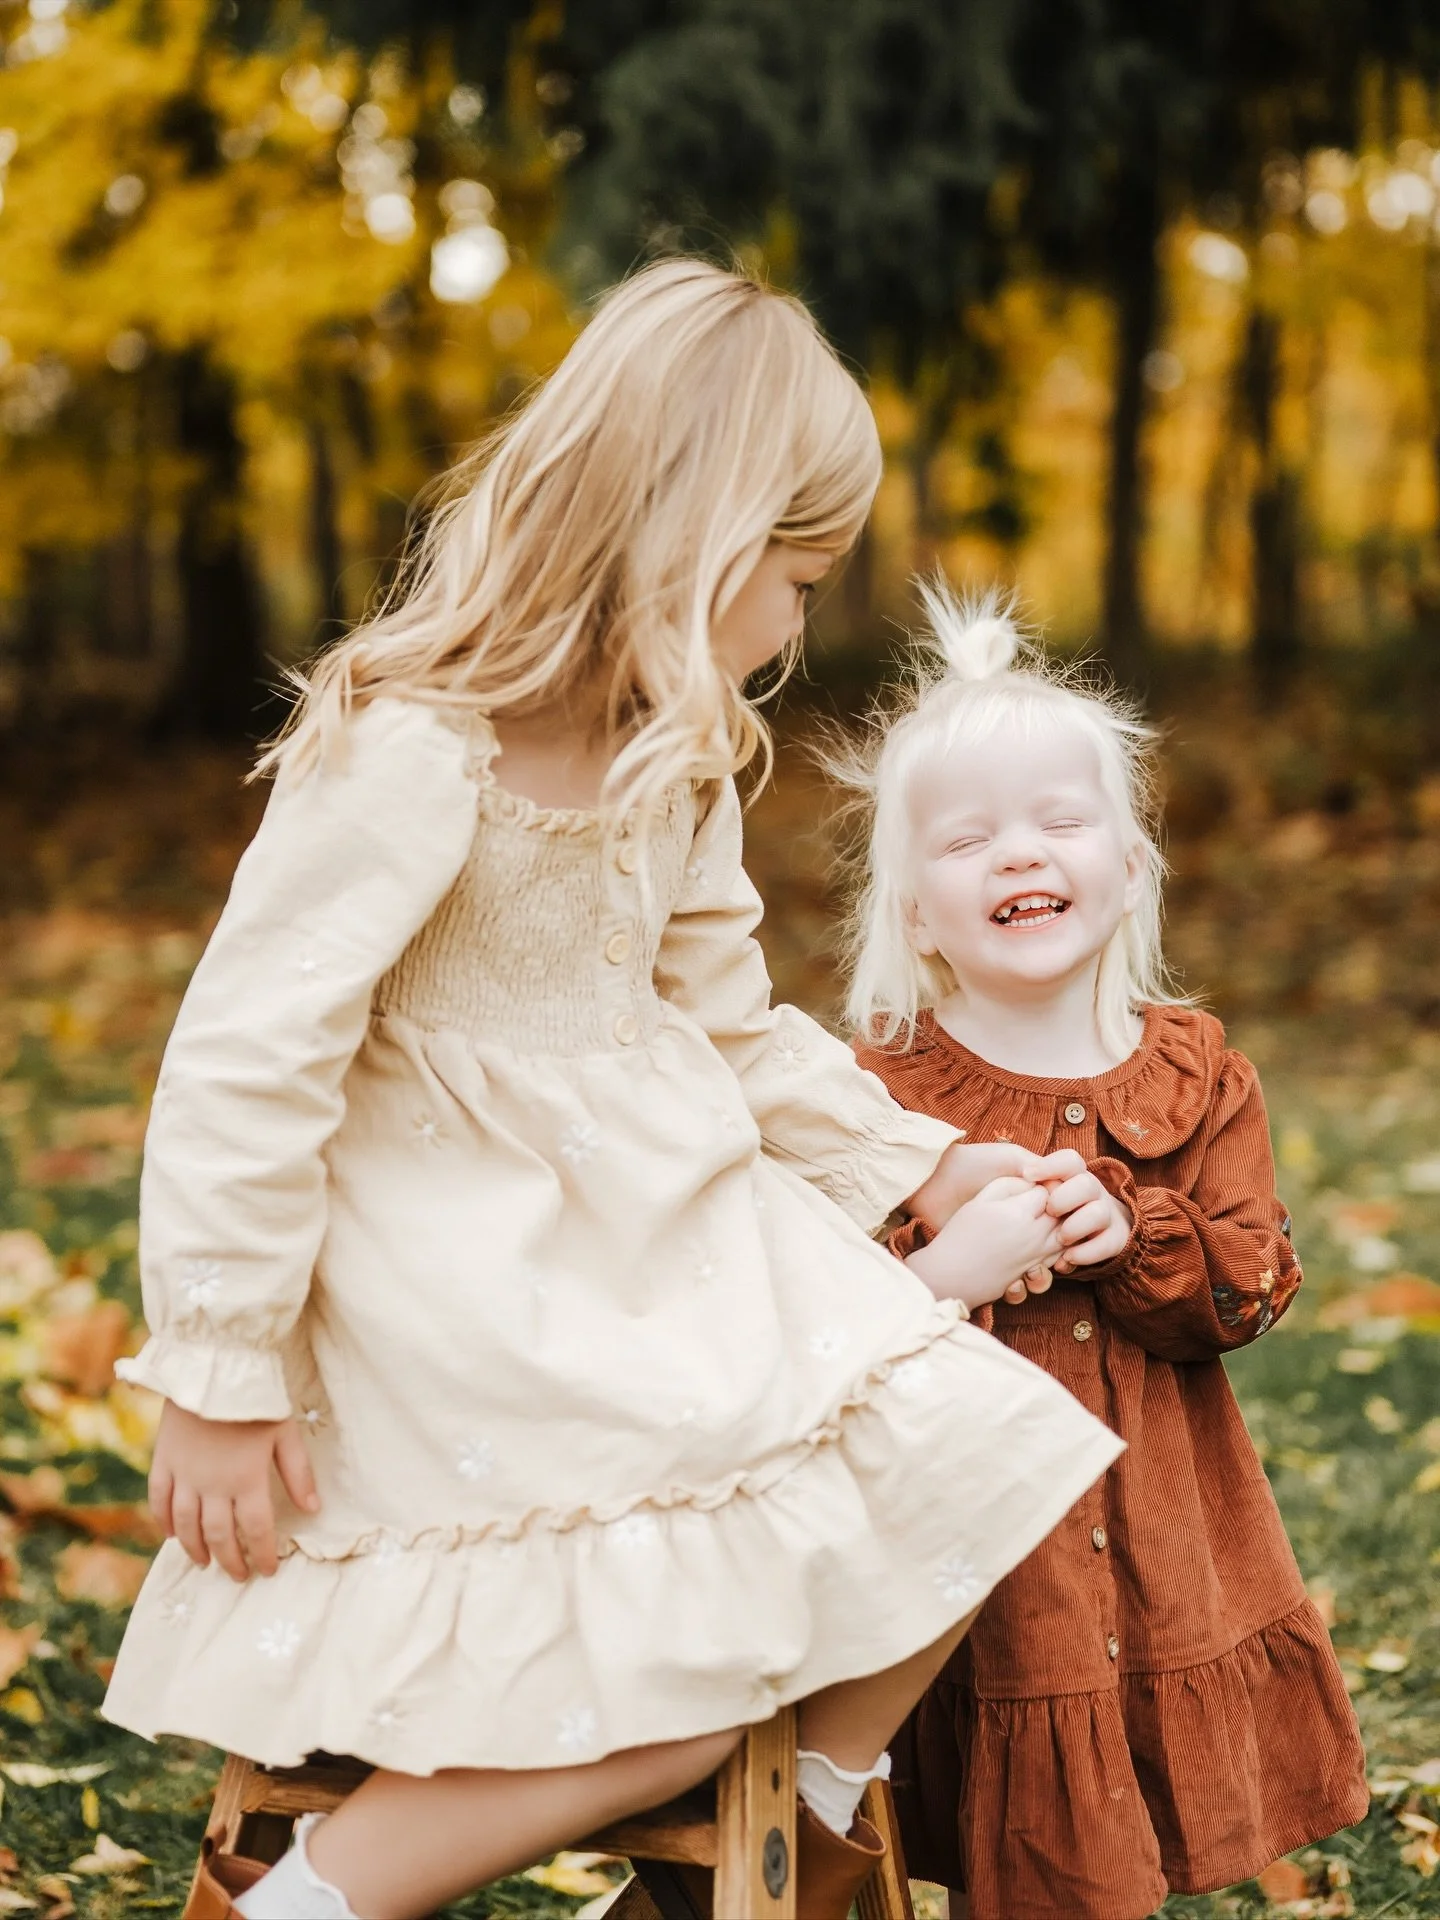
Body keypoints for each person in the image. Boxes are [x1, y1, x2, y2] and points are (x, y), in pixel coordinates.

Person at [102, 263, 1123, 1920]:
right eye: (797, 579)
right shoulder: (413, 744)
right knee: (672, 1705)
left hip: (650, 1244)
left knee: (990, 1451)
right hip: (462, 1285)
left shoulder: (681, 750)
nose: (802, 622)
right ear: (703, 545)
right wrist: (222, 1364)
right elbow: (244, 1054)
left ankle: (807, 1824)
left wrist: (920, 1165)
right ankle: (305, 1908)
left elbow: (727, 1026)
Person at [843, 579, 1370, 1920]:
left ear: (1128, 867)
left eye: (1059, 822)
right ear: (913, 912)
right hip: (977, 1568)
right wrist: (943, 1259)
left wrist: (1134, 1229)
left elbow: (1253, 1287)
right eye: (968, 841)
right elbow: (830, 1318)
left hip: (1165, 1534)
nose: (1020, 855)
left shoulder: (1198, 1075)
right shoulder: (877, 1099)